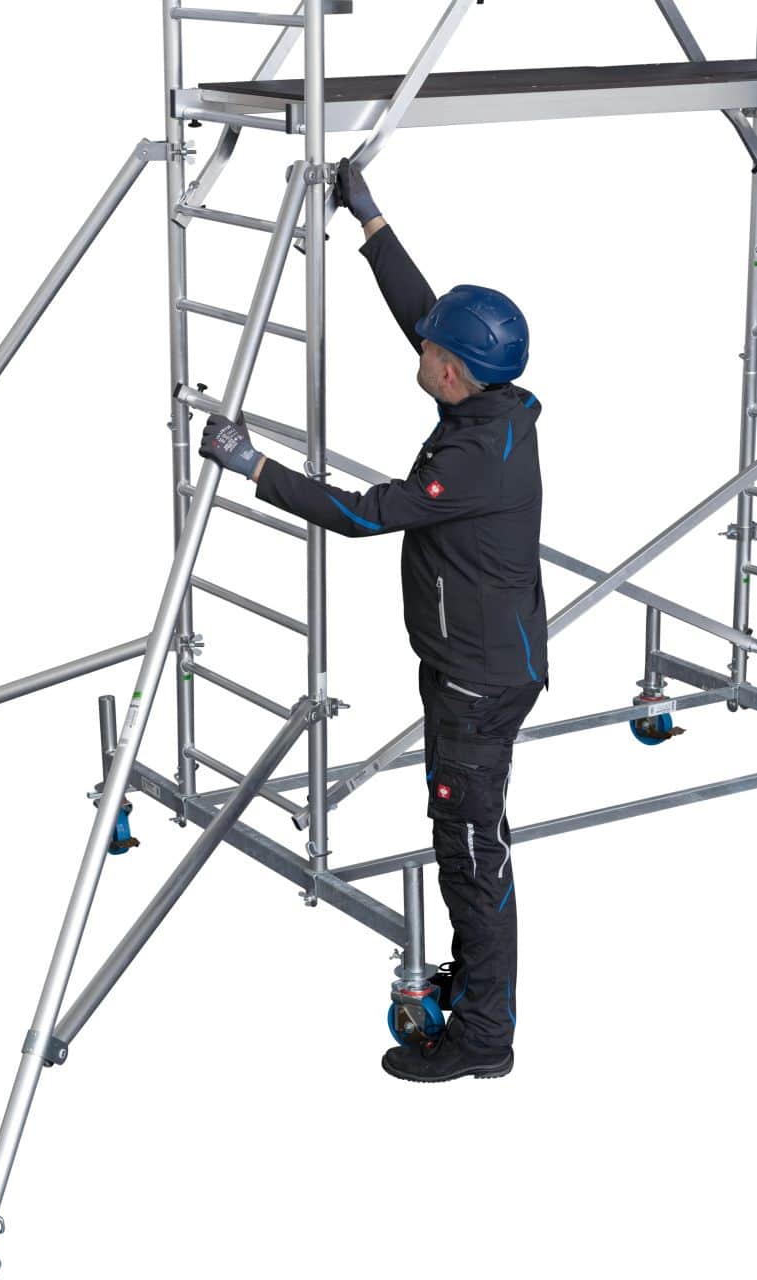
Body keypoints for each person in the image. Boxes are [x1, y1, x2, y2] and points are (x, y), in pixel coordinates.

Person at [199, 160, 548, 1084]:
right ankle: (476, 981)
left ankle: (484, 1035)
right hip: (478, 663)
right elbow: (424, 316)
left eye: (431, 351)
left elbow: (363, 516)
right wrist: (370, 220)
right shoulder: (490, 402)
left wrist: (253, 466)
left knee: (469, 848)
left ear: (450, 372)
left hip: (477, 683)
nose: (419, 349)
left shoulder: (471, 460)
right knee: (468, 836)